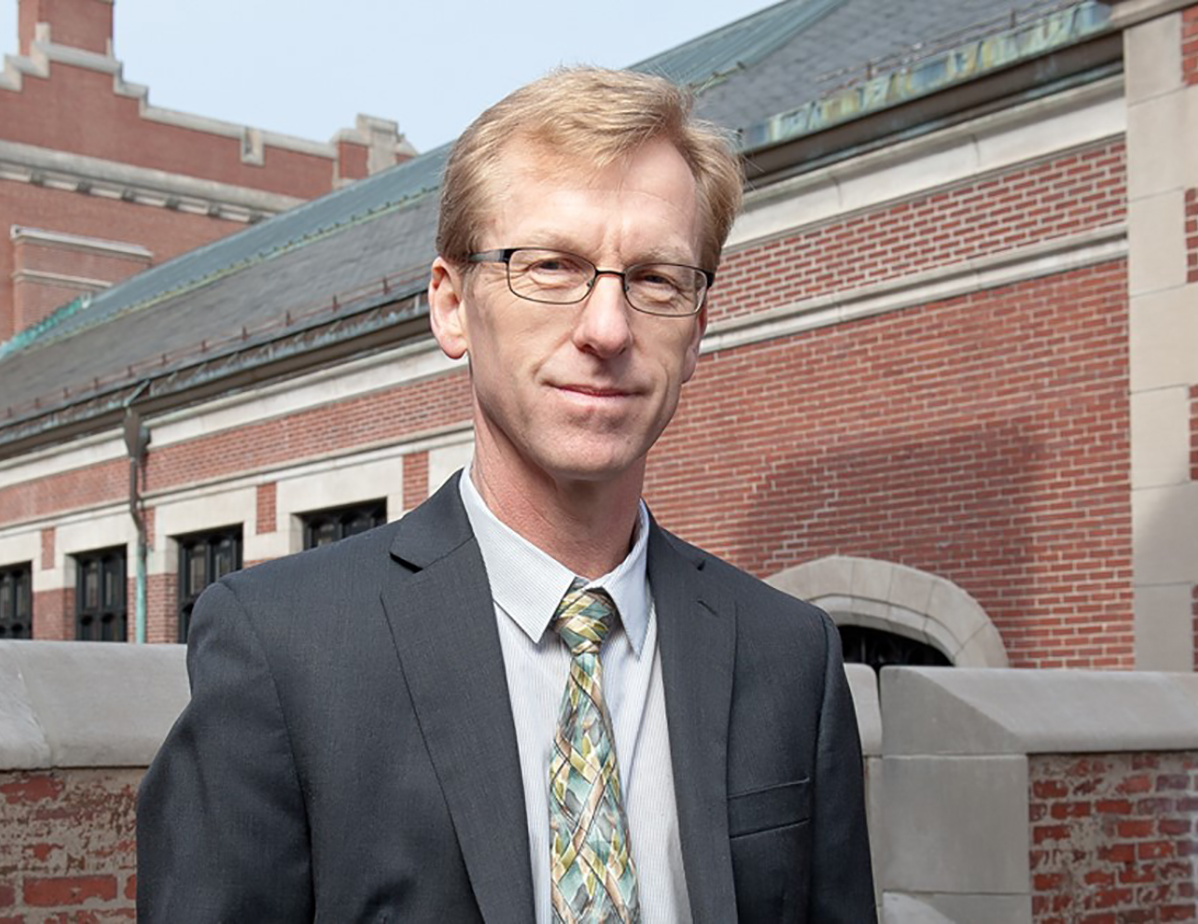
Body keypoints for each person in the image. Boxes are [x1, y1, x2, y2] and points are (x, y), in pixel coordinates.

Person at [136, 67, 875, 923]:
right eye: (552, 266)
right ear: (452, 307)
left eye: (658, 279)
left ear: (698, 329)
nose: (607, 329)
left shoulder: (793, 658)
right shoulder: (286, 651)